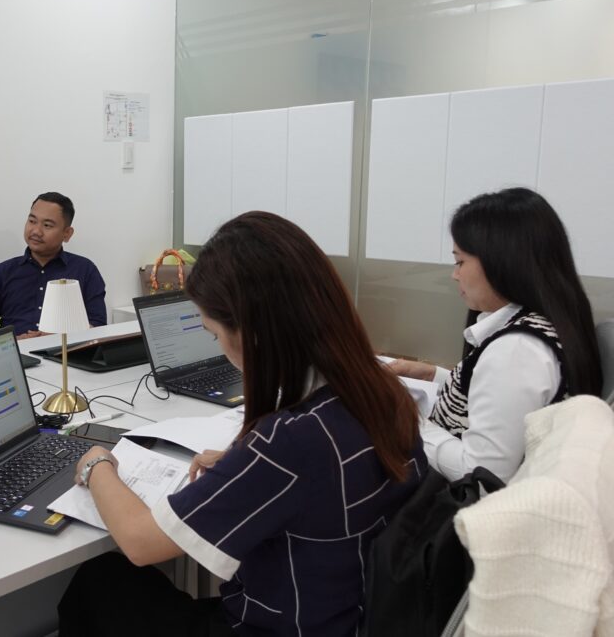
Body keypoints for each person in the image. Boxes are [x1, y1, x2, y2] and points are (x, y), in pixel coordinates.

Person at [58, 211, 425, 636]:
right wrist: (243, 466)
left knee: (101, 581)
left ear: (251, 332)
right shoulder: (382, 392)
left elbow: (141, 542)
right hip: (351, 613)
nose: (220, 349)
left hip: (280, 624)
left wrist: (97, 463)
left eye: (214, 335)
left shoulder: (290, 441)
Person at [389, 187, 601, 482]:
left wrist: (409, 420)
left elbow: (481, 475)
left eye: (460, 261)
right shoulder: (537, 324)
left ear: (502, 262)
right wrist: (436, 376)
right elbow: (502, 401)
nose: (455, 274)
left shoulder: (517, 351)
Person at [0, 192, 106, 338]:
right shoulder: (2, 272)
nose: (36, 231)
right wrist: (13, 341)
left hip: (66, 355)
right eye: (32, 221)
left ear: (67, 234)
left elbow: (98, 326)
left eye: (47, 225)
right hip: (16, 355)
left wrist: (59, 337)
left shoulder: (85, 270)